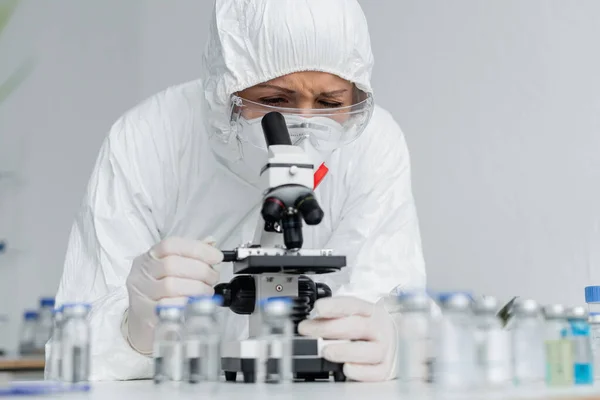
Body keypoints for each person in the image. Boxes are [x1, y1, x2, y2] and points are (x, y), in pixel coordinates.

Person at [54, 0, 426, 382]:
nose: (303, 127)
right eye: (274, 101)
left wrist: (393, 341)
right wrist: (135, 330)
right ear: (226, 93)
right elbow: (72, 355)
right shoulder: (149, 138)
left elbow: (394, 305)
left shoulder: (373, 145)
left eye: (330, 103)